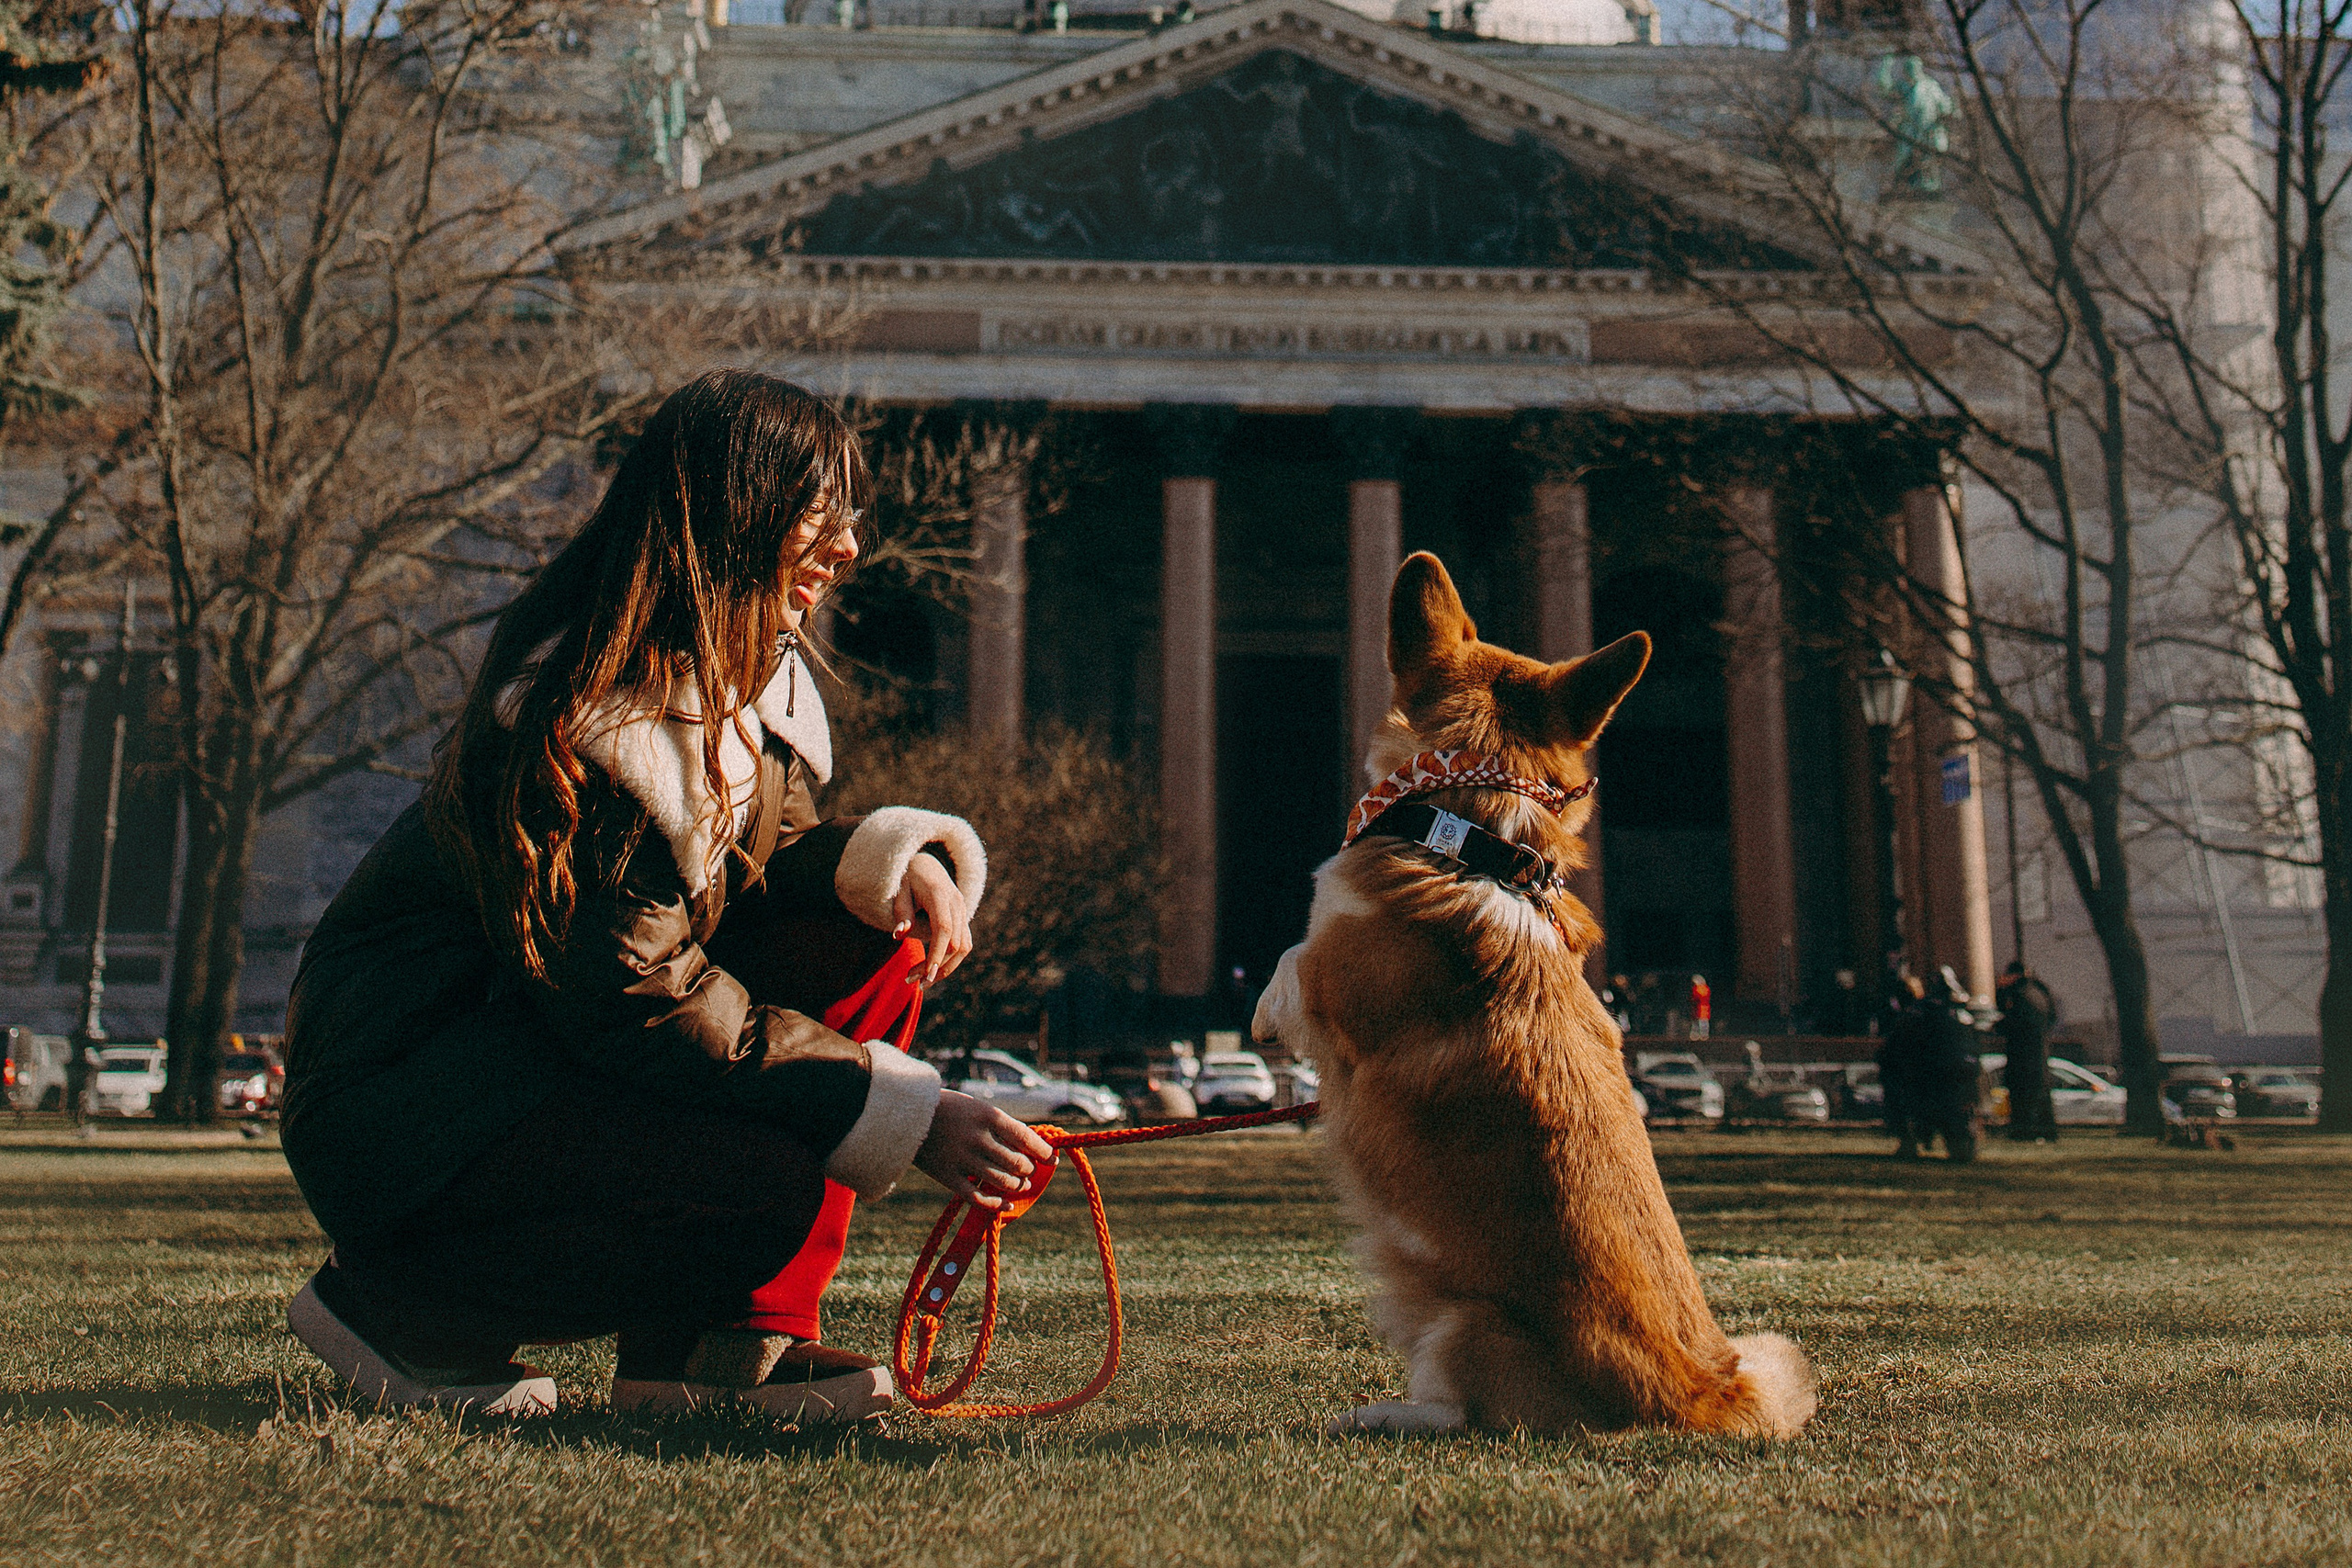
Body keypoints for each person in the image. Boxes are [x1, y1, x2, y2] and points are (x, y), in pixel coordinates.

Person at [277, 369, 1054, 1421]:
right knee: (756, 1186)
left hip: (526, 1070)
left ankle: (714, 1347)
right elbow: (636, 996)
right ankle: (401, 1307)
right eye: (821, 517)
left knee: (871, 932)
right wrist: (905, 1112)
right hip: (413, 1116)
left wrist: (884, 860)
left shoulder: (747, 689)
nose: (849, 549)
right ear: (738, 516)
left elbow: (759, 875)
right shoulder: (588, 719)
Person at [1996, 960, 2059, 1142]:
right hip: (2040, 1050)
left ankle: (2024, 1131)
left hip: (2021, 1053)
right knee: (2041, 1093)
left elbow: (2009, 1019)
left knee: (2021, 1094)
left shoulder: (2018, 994)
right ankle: (2047, 1131)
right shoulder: (2040, 991)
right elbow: (2052, 1017)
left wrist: (2001, 990)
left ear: (2013, 976)